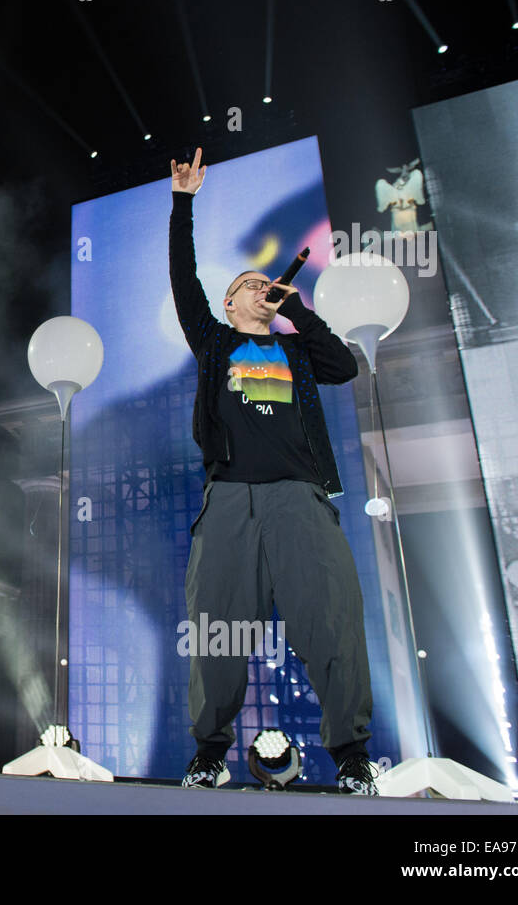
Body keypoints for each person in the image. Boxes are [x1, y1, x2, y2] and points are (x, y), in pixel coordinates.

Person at [168, 148, 377, 795]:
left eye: (269, 283)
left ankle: (351, 758)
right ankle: (209, 752)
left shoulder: (295, 347)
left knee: (331, 618)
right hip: (230, 500)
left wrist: (299, 311)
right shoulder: (216, 342)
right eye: (250, 285)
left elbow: (346, 367)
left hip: (299, 500)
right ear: (231, 303)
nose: (263, 287)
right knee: (219, 627)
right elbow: (184, 280)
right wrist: (183, 205)